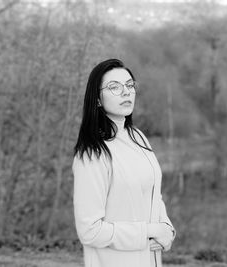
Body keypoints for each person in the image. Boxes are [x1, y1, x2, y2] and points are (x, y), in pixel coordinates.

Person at [73, 58, 175, 267]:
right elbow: (89, 231)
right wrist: (148, 231)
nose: (126, 92)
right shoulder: (92, 153)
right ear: (98, 99)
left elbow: (152, 192)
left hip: (150, 260)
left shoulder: (137, 137)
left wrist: (166, 227)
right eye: (114, 87)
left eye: (129, 85)